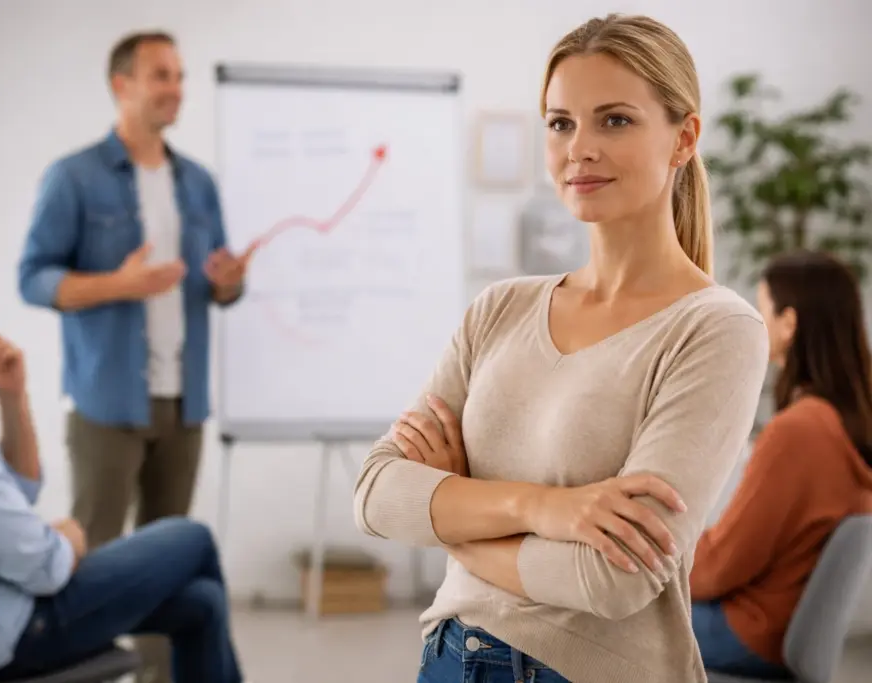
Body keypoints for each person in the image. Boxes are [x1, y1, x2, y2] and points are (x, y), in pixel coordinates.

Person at [353, 14, 770, 683]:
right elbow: (376, 491)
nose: (580, 147)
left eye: (615, 120)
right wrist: (541, 508)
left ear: (683, 138)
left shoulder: (716, 330)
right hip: (447, 658)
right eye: (560, 123)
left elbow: (611, 577)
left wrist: (451, 514)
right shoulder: (500, 308)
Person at [0, 204, 243, 683]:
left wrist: (12, 398)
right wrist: (69, 538)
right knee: (191, 537)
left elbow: (16, 493)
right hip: (2, 637)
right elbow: (43, 568)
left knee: (201, 605)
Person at [16, 30, 251, 683]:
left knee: (169, 558)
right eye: (160, 76)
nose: (175, 88)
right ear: (122, 85)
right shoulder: (74, 177)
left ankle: (155, 677)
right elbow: (32, 278)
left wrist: (229, 280)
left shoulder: (198, 182)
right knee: (98, 555)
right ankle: (86, 672)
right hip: (105, 401)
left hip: (185, 398)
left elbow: (216, 285)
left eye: (179, 75)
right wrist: (118, 284)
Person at [690, 250, 872, 679]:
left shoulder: (799, 430)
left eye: (762, 307)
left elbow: (721, 567)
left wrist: (660, 565)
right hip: (779, 629)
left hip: (749, 633)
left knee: (604, 622)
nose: (758, 320)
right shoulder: (846, 422)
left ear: (789, 323)